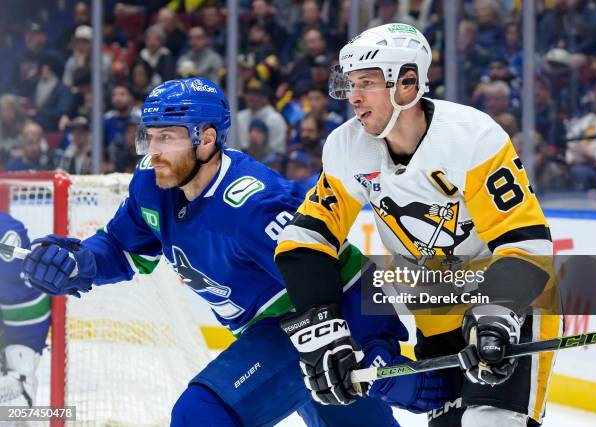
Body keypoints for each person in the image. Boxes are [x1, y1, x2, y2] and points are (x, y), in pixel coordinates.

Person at [21, 77, 451, 426]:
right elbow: (120, 244)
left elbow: (345, 270)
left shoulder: (253, 204)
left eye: (167, 138)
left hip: (306, 329)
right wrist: (79, 261)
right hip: (275, 338)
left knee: (201, 415)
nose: (154, 152)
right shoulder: (152, 185)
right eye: (150, 137)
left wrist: (380, 346)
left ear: (206, 139)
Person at [274, 23, 561, 427]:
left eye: (368, 83)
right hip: (437, 316)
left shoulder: (471, 137)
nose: (354, 97)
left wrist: (498, 312)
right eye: (351, 83)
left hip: (513, 308)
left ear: (407, 84)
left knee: (489, 422)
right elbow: (305, 240)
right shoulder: (347, 147)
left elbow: (527, 241)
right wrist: (319, 328)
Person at [0, 213, 51, 407]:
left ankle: (19, 387)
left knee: (14, 404)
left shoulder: (4, 232)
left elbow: (22, 293)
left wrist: (21, 366)